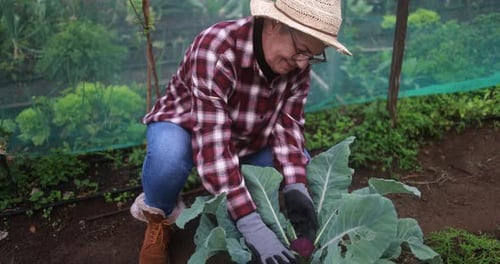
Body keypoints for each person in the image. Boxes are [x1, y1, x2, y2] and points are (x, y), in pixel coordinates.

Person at [130, 0, 351, 263]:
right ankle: (159, 219)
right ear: (274, 24)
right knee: (168, 158)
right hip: (187, 127)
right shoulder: (217, 47)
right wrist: (250, 225)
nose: (303, 65)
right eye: (301, 50)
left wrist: (296, 188)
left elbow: (289, 128)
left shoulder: (296, 63)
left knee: (299, 166)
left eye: (313, 55)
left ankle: (262, 209)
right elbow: (213, 148)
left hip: (248, 136)